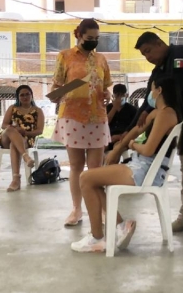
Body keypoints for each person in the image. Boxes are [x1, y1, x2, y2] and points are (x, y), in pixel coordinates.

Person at [108, 31, 183, 238]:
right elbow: (144, 107)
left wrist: (151, 110)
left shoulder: (180, 54)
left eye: (148, 51)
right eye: (143, 55)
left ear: (159, 43)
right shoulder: (157, 72)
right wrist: (127, 132)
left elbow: (174, 86)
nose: (147, 57)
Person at [71, 76, 183, 253]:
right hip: (143, 166)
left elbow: (148, 150)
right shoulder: (158, 112)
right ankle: (120, 225)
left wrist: (130, 144)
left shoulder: (166, 114)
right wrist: (120, 147)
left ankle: (97, 237)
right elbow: (136, 129)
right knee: (92, 181)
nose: (150, 93)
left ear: (159, 91)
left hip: (147, 170)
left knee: (86, 178)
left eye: (152, 89)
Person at [50, 19, 112, 226]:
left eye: (96, 39)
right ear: (79, 35)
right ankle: (76, 210)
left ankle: (100, 209)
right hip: (72, 116)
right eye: (89, 38)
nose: (93, 42)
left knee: (95, 169)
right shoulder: (65, 56)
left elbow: (107, 85)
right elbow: (56, 86)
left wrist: (107, 95)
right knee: (76, 166)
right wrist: (69, 90)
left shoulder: (102, 59)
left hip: (97, 116)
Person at [0, 85, 45, 192]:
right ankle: (25, 156)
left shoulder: (38, 111)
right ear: (18, 97)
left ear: (31, 95)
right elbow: (4, 125)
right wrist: (15, 129)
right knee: (10, 129)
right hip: (6, 137)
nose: (25, 97)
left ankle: (16, 180)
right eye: (22, 95)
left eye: (27, 94)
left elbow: (39, 131)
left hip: (26, 138)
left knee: (14, 144)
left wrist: (25, 132)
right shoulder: (12, 108)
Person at [106, 84, 138, 152]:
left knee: (117, 148)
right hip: (108, 138)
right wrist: (114, 108)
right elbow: (105, 123)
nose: (120, 98)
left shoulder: (132, 110)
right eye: (117, 95)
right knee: (101, 148)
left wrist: (120, 136)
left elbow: (134, 128)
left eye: (122, 95)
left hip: (124, 138)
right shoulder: (108, 108)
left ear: (126, 95)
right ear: (113, 96)